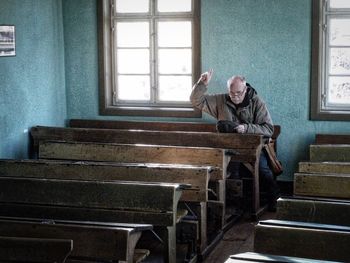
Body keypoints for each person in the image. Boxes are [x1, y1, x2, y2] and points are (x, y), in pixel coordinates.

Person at [190, 69, 279, 211]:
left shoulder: (257, 102)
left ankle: (273, 199)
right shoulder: (221, 100)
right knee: (228, 172)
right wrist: (202, 84)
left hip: (253, 147)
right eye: (232, 93)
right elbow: (196, 101)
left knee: (264, 171)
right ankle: (234, 205)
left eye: (239, 93)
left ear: (246, 89)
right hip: (228, 148)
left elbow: (269, 129)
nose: (235, 96)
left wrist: (247, 128)